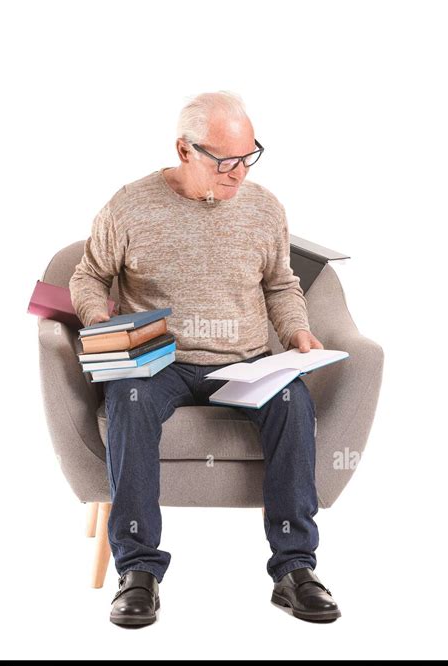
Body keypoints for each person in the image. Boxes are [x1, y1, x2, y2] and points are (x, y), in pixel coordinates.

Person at [70, 90, 341, 627]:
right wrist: (97, 317)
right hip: (158, 360)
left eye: (248, 156)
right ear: (184, 150)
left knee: (292, 400)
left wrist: (298, 333)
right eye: (224, 159)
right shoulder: (129, 205)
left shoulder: (264, 207)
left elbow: (282, 285)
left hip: (244, 361)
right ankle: (138, 572)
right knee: (127, 395)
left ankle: (294, 569)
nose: (239, 172)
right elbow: (88, 276)